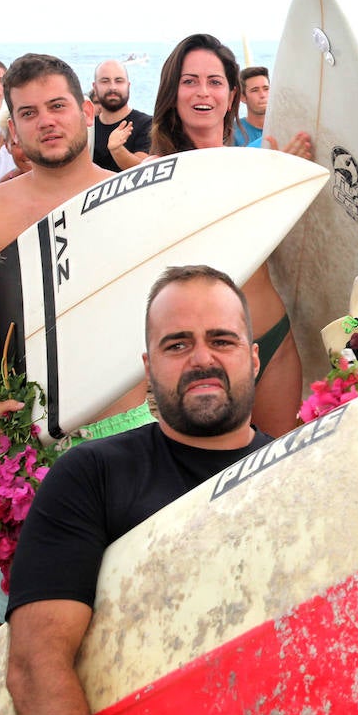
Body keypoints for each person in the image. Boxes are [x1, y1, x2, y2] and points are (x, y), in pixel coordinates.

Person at [6, 264, 272, 715]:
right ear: (148, 367)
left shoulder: (296, 470)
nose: (202, 358)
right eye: (178, 345)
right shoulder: (92, 476)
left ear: (254, 356)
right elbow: (36, 665)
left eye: (222, 339)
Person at [0, 53, 154, 631]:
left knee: (132, 621)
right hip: (24, 447)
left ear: (85, 110)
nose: (46, 121)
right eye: (29, 113)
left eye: (57, 107)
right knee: (5, 630)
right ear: (15, 128)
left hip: (128, 437)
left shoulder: (136, 199)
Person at [149, 33, 308, 436]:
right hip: (199, 356)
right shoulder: (154, 176)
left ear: (232, 93)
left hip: (272, 339)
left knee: (276, 469)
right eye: (189, 81)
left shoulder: (257, 163)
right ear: (173, 92)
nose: (203, 92)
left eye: (215, 81)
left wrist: (289, 184)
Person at [91, 60, 152, 171]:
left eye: (119, 81)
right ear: (95, 88)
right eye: (105, 81)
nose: (113, 87)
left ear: (128, 86)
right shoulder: (87, 127)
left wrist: (117, 149)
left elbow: (144, 171)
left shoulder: (147, 124)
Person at [231, 65, 268, 148]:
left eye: (266, 88)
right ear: (242, 97)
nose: (263, 95)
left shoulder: (286, 127)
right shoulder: (232, 133)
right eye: (255, 90)